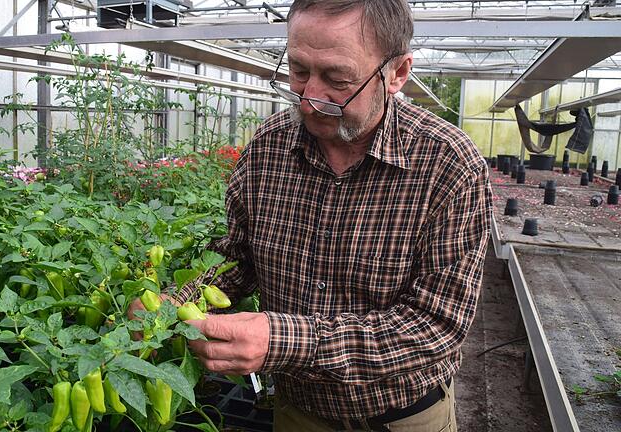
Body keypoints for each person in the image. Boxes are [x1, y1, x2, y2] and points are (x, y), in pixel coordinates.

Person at [138, 1, 492, 431]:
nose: (309, 99)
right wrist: (177, 300)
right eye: (298, 71)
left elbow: (437, 324)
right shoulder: (268, 149)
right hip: (296, 410)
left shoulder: (448, 164)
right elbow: (237, 259)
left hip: (401, 417)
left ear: (396, 73)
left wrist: (284, 341)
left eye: (337, 79)